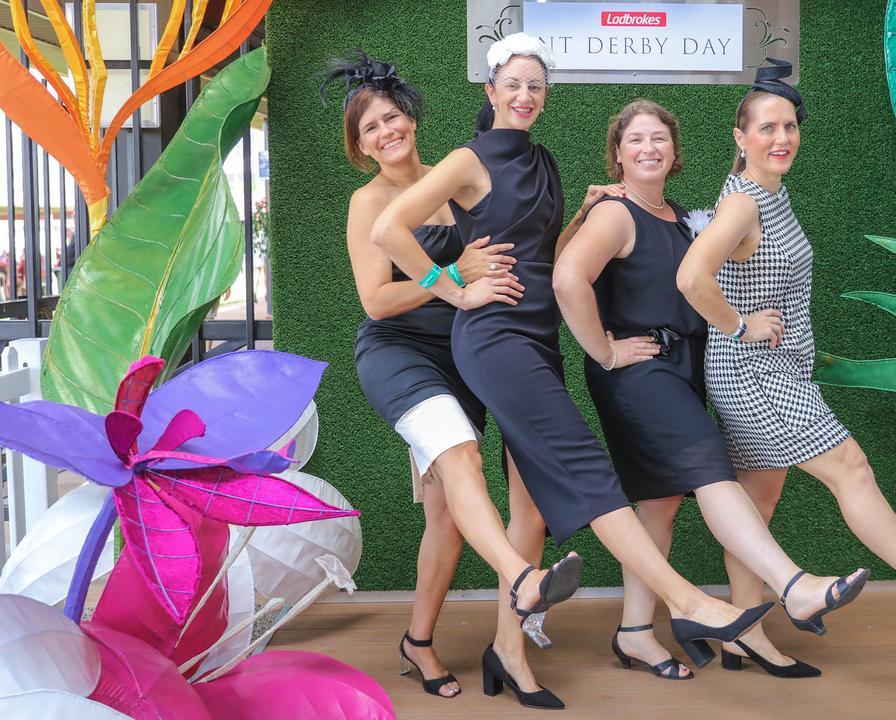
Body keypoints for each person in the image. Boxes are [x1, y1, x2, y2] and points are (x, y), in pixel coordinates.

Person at [369, 34, 846, 707]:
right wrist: (452, 286)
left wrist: (586, 216)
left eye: (536, 85)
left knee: (530, 509)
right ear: (490, 90)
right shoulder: (468, 159)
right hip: (495, 334)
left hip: (537, 339)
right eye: (514, 84)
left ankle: (507, 648)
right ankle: (688, 602)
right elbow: (389, 228)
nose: (526, 95)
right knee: (585, 465)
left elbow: (549, 257)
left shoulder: (544, 163)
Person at [676, 59, 896, 658]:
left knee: (757, 500)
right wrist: (741, 326)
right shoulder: (742, 205)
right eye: (767, 128)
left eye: (790, 126)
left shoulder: (771, 195)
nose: (782, 138)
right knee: (853, 469)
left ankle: (743, 632)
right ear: (740, 138)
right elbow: (691, 277)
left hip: (778, 370)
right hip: (754, 373)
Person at [554, 99, 867, 680]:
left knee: (660, 501)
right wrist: (604, 350)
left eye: (659, 139)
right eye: (635, 140)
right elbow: (567, 277)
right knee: (710, 471)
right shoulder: (616, 213)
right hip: (639, 372)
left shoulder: (678, 216)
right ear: (617, 153)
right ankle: (791, 584)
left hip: (681, 367)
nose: (648, 148)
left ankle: (636, 632)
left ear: (675, 152)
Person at [325, 52, 580, 705]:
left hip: (468, 356)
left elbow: (524, 252)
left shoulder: (455, 176)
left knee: (443, 513)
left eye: (392, 117)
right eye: (370, 129)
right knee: (463, 456)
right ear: (359, 147)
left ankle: (417, 641)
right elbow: (376, 301)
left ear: (410, 117)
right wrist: (452, 280)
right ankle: (521, 576)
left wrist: (581, 219)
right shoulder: (367, 203)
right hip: (399, 355)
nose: (387, 132)